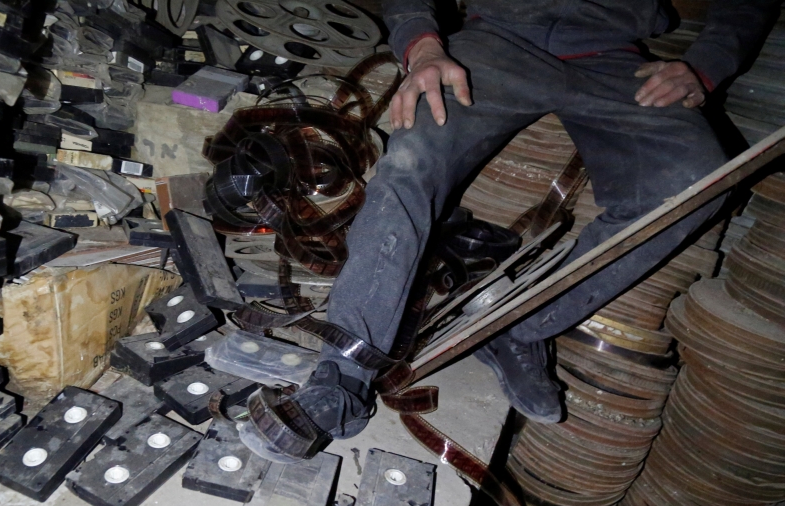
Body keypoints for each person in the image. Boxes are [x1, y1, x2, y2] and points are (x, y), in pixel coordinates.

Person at [238, 0, 781, 463]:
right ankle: (343, 379)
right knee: (410, 167)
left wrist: (705, 66)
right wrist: (421, 44)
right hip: (498, 42)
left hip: (615, 59)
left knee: (695, 184)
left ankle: (519, 327)